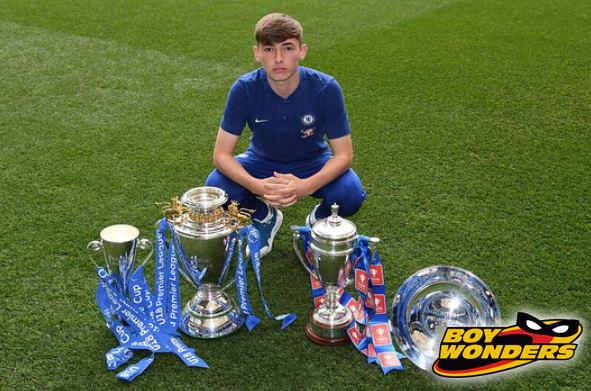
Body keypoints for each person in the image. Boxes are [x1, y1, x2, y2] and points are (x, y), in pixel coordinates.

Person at [205, 13, 365, 257]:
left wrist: (305, 186)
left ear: (302, 51)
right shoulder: (244, 89)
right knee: (216, 188)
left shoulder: (326, 88)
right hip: (261, 163)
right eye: (269, 49)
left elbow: (344, 155)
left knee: (350, 193)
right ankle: (263, 216)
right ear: (257, 52)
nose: (278, 59)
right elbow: (221, 155)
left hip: (312, 162)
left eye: (287, 48)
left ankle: (317, 223)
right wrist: (257, 185)